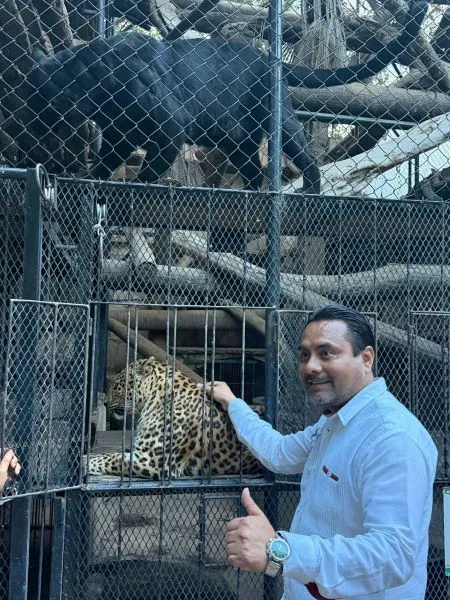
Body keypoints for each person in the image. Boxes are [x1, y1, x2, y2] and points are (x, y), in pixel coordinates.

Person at [198, 305, 438, 600]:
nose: (310, 366)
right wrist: (234, 405)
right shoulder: (335, 422)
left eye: (326, 353)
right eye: (304, 355)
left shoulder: (391, 437)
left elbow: (393, 556)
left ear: (366, 358)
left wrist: (280, 551)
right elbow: (279, 452)